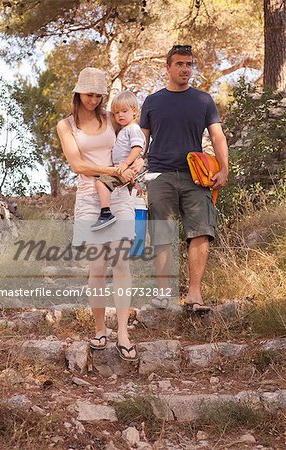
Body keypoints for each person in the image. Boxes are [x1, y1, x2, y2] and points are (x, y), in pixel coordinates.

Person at [57, 67, 138, 361]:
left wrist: (134, 166)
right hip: (89, 199)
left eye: (98, 95)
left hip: (118, 195)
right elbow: (78, 165)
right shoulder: (65, 125)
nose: (93, 100)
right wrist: (113, 170)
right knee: (98, 267)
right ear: (78, 93)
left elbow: (133, 142)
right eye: (89, 94)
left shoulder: (110, 118)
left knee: (121, 265)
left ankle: (123, 333)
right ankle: (100, 328)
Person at [140, 45, 229, 312]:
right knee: (162, 234)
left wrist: (223, 169)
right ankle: (163, 293)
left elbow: (217, 136)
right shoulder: (152, 101)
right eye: (179, 64)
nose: (185, 69)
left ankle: (194, 294)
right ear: (167, 67)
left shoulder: (203, 100)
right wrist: (134, 170)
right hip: (159, 175)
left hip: (196, 177)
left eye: (189, 64)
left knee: (201, 232)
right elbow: (140, 142)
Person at [91, 91, 146, 231]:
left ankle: (106, 214)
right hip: (121, 169)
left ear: (134, 111)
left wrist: (125, 163)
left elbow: (138, 147)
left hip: (123, 168)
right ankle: (110, 215)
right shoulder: (124, 129)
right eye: (116, 113)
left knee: (101, 182)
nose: (120, 115)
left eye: (124, 111)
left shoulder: (133, 129)